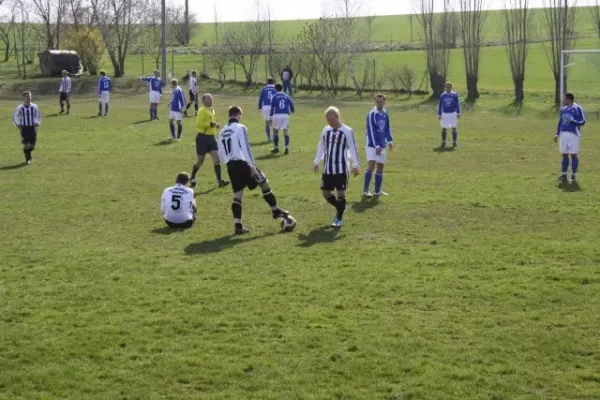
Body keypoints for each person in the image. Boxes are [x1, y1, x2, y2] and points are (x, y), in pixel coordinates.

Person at [217, 105, 290, 235]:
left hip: (230, 165)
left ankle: (238, 225)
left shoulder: (222, 131)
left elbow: (221, 151)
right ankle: (275, 211)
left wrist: (227, 163)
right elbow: (245, 147)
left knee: (238, 195)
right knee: (264, 183)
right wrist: (251, 165)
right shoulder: (240, 128)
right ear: (238, 115)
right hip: (243, 164)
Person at [313, 106, 360, 228]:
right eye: (327, 119)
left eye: (330, 118)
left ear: (337, 117)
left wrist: (356, 165)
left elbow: (353, 148)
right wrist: (317, 161)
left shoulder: (347, 131)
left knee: (340, 193)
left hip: (341, 169)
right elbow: (321, 146)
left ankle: (338, 218)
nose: (328, 121)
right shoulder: (325, 130)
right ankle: (340, 207)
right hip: (328, 168)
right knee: (325, 193)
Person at [190, 93, 229, 189]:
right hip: (202, 138)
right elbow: (198, 124)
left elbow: (211, 123)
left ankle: (220, 182)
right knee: (200, 161)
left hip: (212, 138)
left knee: (217, 160)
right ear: (203, 101)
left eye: (212, 99)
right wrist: (211, 124)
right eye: (209, 99)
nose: (211, 100)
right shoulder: (202, 110)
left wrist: (215, 125)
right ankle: (192, 177)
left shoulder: (212, 110)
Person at [364, 94, 393, 197]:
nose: (379, 103)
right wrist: (376, 145)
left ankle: (377, 191)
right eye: (377, 101)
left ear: (384, 101)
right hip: (372, 145)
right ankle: (366, 191)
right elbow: (371, 131)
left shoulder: (385, 113)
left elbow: (387, 128)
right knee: (371, 166)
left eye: (381, 101)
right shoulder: (372, 114)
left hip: (382, 144)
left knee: (380, 167)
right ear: (374, 101)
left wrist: (389, 141)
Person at [555, 92, 585, 183]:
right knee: (564, 154)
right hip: (564, 134)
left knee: (573, 155)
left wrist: (573, 121)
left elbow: (582, 122)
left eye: (564, 98)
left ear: (569, 99)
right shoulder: (563, 109)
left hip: (573, 135)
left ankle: (573, 175)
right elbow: (560, 122)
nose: (563, 100)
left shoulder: (577, 108)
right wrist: (557, 134)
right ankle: (564, 175)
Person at [13, 91, 41, 165]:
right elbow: (15, 116)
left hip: (33, 128)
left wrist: (37, 122)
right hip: (24, 128)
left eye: (29, 96)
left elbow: (38, 115)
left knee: (32, 146)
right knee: (26, 145)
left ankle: (28, 153)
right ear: (24, 97)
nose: (28, 98)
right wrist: (18, 124)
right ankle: (27, 159)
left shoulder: (35, 106)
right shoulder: (20, 107)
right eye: (27, 96)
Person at [269, 83, 295, 155]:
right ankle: (286, 148)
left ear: (275, 89)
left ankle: (276, 147)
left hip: (277, 115)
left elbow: (272, 108)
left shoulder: (274, 96)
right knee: (286, 132)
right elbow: (291, 104)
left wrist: (271, 117)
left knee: (275, 131)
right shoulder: (286, 96)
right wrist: (292, 110)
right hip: (285, 115)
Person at [438, 82, 461, 148]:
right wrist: (439, 114)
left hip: (453, 113)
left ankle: (454, 142)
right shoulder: (442, 95)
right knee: (444, 128)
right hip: (445, 114)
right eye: (446, 87)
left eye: (449, 87)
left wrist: (458, 112)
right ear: (444, 87)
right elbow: (440, 105)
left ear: (451, 87)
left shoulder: (454, 94)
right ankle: (443, 142)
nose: (447, 88)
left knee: (454, 127)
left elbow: (457, 104)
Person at [258, 77, 277, 142]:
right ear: (273, 82)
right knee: (274, 122)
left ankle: (269, 138)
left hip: (265, 107)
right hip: (273, 106)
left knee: (267, 123)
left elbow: (260, 99)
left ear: (267, 82)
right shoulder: (276, 88)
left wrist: (260, 107)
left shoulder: (264, 88)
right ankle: (274, 137)